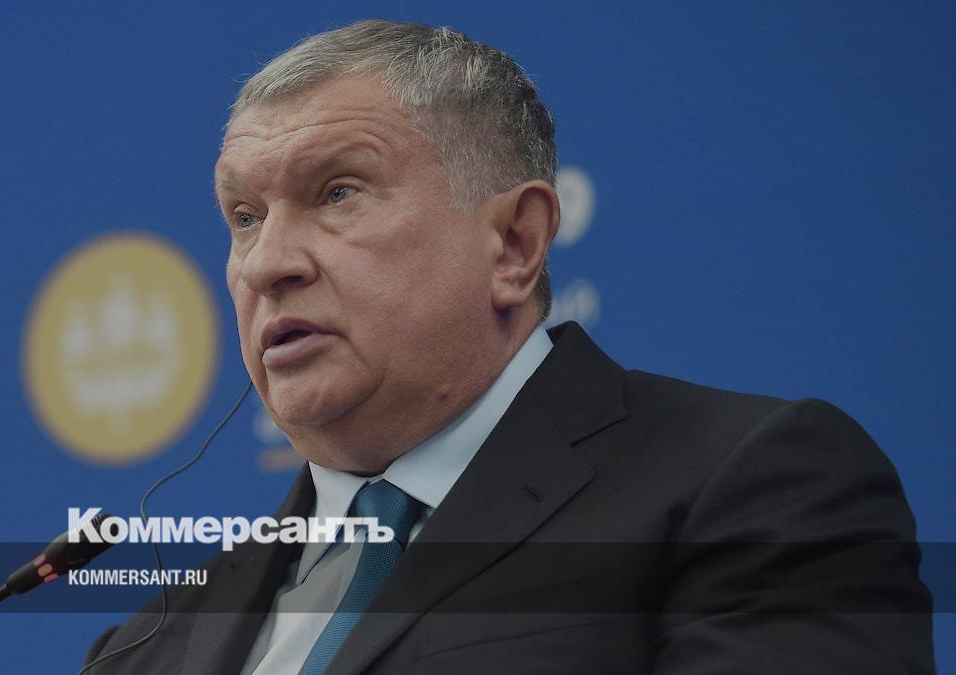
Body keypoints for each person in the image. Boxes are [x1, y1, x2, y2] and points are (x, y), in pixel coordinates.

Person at [83, 19, 933, 673]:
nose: (267, 263)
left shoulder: (747, 489)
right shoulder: (145, 646)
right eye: (244, 217)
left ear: (516, 244)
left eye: (338, 192)